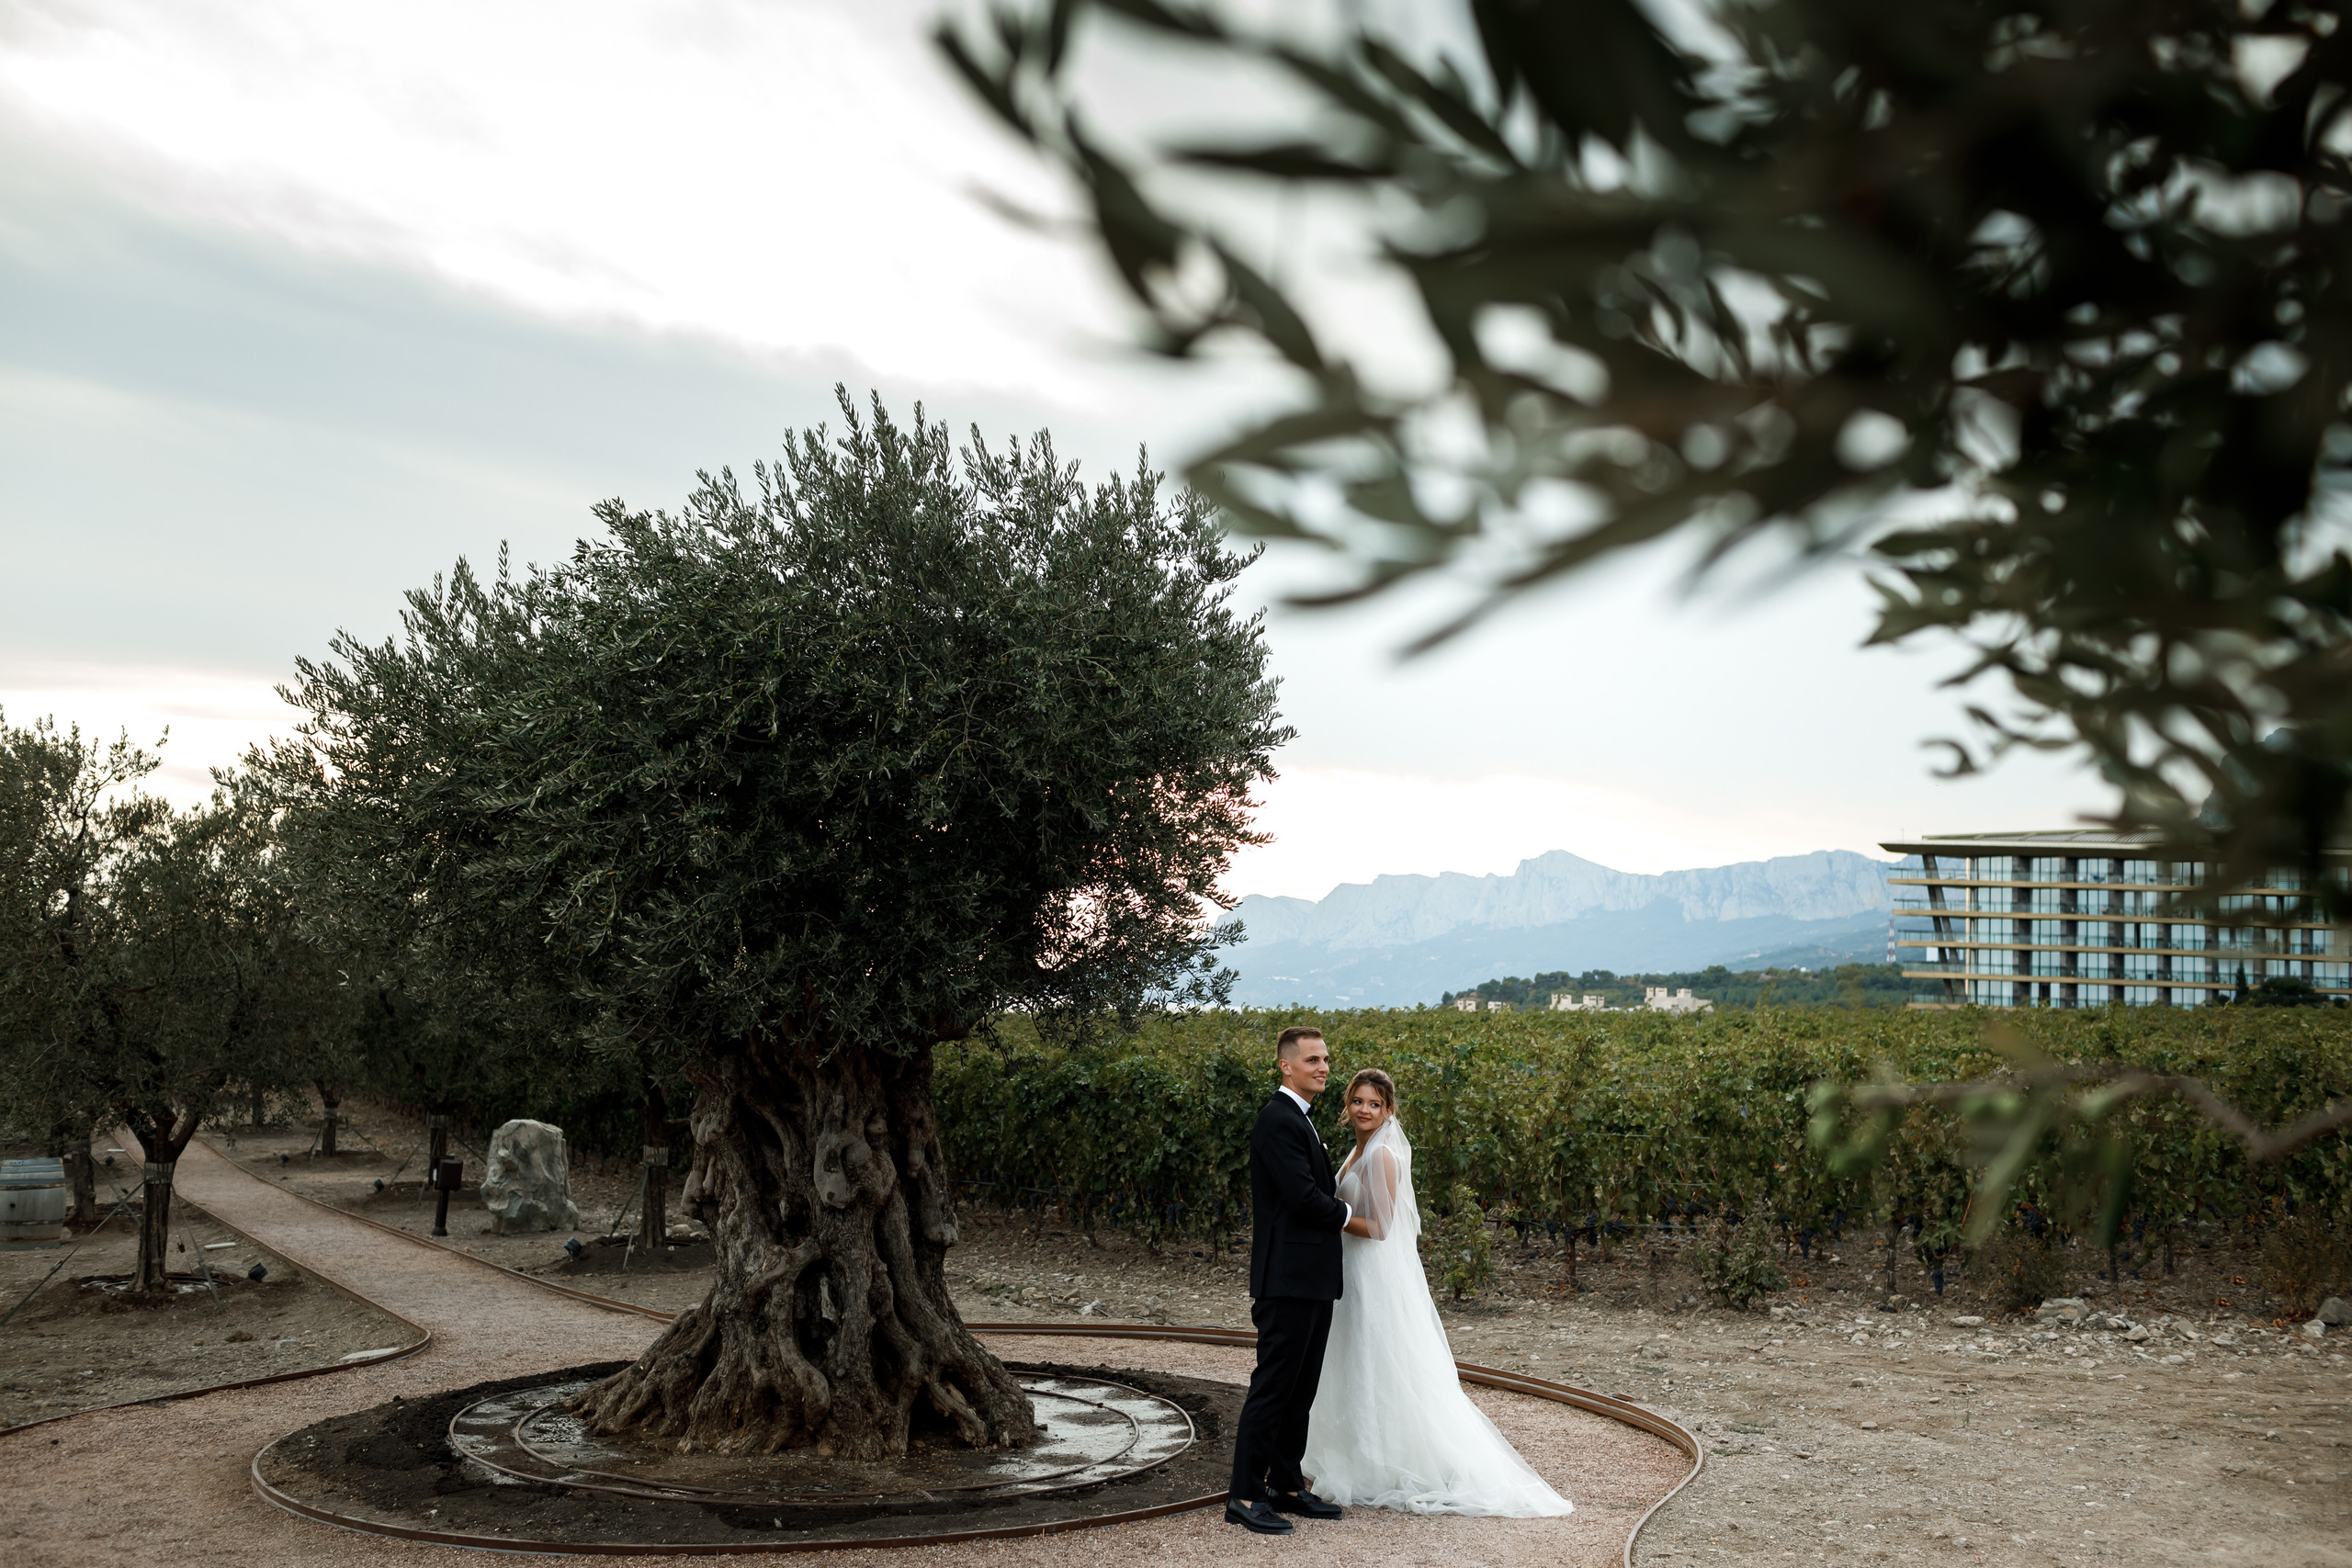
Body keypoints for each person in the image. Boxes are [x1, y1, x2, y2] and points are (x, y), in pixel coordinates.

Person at [1300, 1067, 1574, 1517]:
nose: (1364, 1110)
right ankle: (1356, 1447)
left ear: (1388, 1110)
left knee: (1377, 1359)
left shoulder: (1383, 1155)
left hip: (1372, 1272)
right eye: (1357, 1101)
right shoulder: (1357, 1150)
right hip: (1350, 1271)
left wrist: (1329, 1213)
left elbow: (1382, 1227)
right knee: (1352, 1358)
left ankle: (1383, 1460)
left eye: (1375, 1104)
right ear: (1347, 1105)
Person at [1226, 1025, 1351, 1535]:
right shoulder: (1278, 1120)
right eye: (1312, 1060)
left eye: (1325, 1059)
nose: (1323, 1067)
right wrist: (1349, 1215)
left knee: (1300, 1388)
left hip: (1311, 1278)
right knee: (1275, 1387)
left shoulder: (1301, 1119)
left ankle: (1286, 1483)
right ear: (1286, 1065)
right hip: (1287, 1279)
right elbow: (1302, 1198)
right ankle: (1244, 1494)